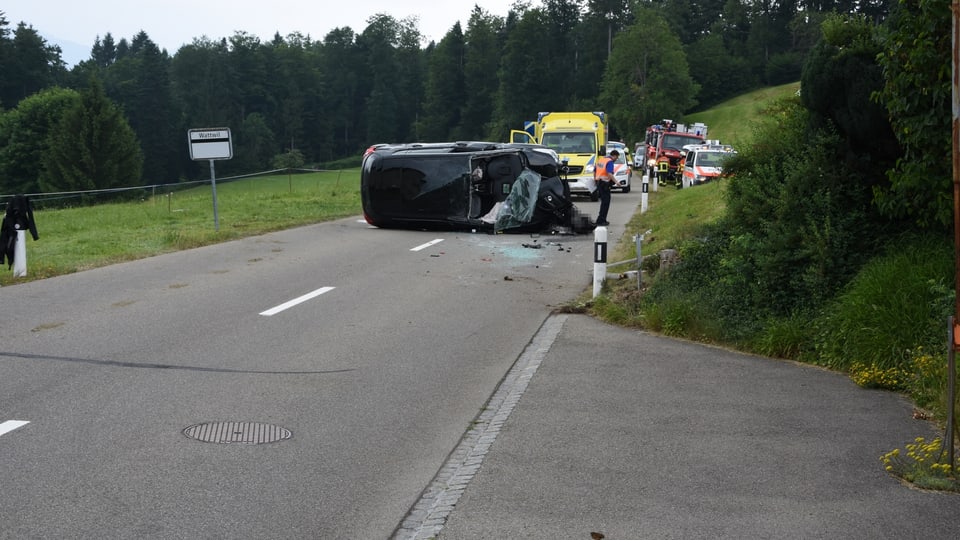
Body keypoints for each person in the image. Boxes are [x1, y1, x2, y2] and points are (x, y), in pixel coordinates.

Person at [594, 148, 618, 226]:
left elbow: (594, 170)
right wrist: (616, 182)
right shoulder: (610, 162)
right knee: (606, 203)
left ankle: (600, 219)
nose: (616, 159)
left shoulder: (601, 160)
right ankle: (601, 220)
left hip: (599, 183)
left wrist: (595, 180)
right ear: (614, 156)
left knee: (603, 202)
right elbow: (609, 173)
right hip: (605, 184)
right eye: (616, 158)